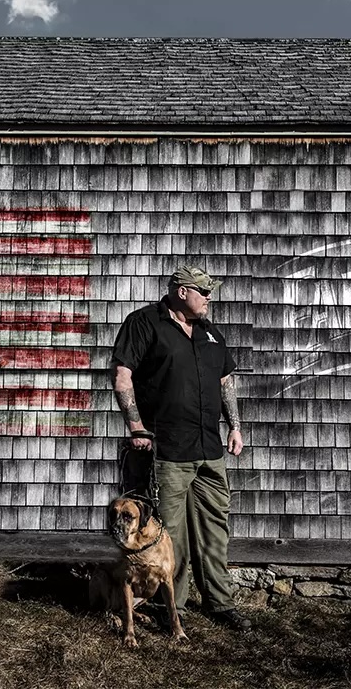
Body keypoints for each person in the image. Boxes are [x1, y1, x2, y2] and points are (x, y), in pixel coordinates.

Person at [110, 265, 252, 631]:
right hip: (168, 449)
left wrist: (234, 426)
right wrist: (136, 425)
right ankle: (175, 606)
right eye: (203, 291)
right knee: (170, 533)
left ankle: (220, 603)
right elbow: (122, 375)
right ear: (182, 291)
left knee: (214, 527)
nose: (209, 298)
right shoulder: (144, 323)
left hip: (209, 447)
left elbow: (225, 380)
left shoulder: (209, 331)